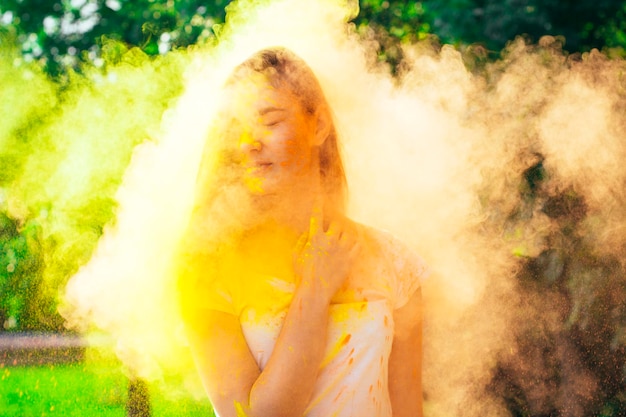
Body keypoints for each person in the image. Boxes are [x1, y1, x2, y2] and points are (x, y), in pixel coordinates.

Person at [177, 47, 428, 417]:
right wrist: (315, 289)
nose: (249, 143)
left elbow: (408, 410)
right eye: (237, 128)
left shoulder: (394, 262)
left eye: (270, 121)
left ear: (319, 126)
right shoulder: (206, 269)